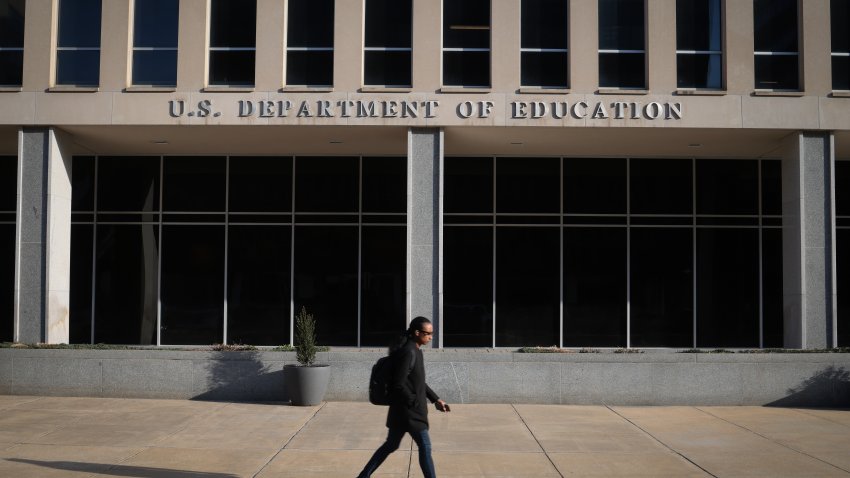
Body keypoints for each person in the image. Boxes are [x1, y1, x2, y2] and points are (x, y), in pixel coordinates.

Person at [357, 316, 450, 478]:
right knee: (425, 447)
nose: (431, 336)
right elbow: (398, 384)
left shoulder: (415, 350)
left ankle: (363, 476)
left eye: (432, 333)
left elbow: (419, 382)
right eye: (428, 333)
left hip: (402, 411)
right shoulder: (408, 352)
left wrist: (436, 399)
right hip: (410, 413)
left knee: (390, 445)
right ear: (416, 332)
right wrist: (413, 402)